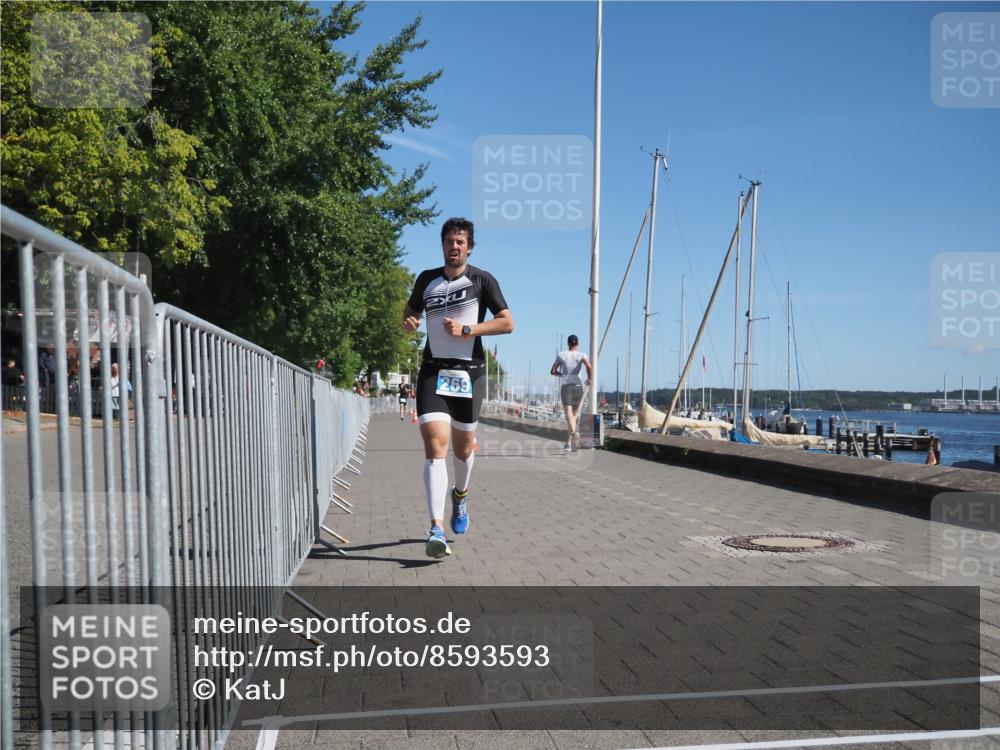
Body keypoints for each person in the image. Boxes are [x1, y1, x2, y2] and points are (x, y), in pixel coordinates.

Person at [402, 217, 514, 558]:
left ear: (469, 247)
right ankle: (435, 528)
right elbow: (409, 312)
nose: (455, 246)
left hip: (469, 373)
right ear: (442, 245)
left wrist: (469, 331)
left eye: (460, 242)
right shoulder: (426, 279)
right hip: (433, 370)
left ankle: (460, 496)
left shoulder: (482, 280)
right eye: (450, 241)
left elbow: (507, 323)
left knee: (464, 450)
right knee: (436, 444)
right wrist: (409, 322)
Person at [550, 335, 592, 452]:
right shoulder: (582, 355)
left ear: (568, 343)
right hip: (578, 387)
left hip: (566, 386)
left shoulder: (561, 355)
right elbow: (588, 366)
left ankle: (574, 434)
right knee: (574, 415)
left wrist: (562, 374)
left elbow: (553, 371)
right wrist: (589, 378)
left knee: (569, 414)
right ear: (577, 344)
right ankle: (568, 444)